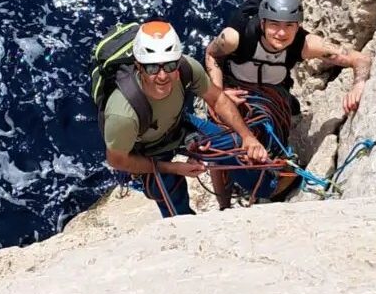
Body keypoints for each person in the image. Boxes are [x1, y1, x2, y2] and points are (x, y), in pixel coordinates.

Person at [103, 20, 268, 217]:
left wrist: (247, 136)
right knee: (172, 200)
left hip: (178, 125)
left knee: (237, 146)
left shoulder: (187, 68)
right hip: (147, 150)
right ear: (138, 66)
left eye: (170, 65)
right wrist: (173, 168)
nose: (162, 75)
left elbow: (217, 99)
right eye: (152, 68)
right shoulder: (123, 113)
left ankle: (268, 186)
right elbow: (117, 160)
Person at [204, 0, 372, 117]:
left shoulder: (305, 44)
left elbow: (359, 59)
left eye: (289, 25)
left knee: (290, 112)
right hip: (234, 85)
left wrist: (358, 86)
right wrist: (219, 95)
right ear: (262, 23)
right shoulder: (235, 37)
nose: (282, 33)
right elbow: (212, 55)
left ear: (298, 26)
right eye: (274, 25)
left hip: (273, 93)